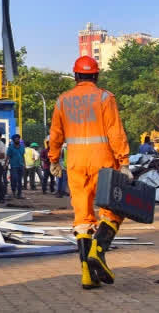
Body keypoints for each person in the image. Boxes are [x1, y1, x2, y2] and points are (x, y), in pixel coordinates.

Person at [48, 56, 130, 290]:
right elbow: (115, 131)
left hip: (75, 162)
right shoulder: (105, 97)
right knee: (113, 209)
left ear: (76, 76)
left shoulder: (62, 101)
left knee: (82, 218)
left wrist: (54, 159)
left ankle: (87, 274)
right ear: (96, 75)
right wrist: (123, 160)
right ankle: (98, 252)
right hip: (102, 160)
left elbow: (55, 134)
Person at [7, 134, 26, 199]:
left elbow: (23, 156)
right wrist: (5, 164)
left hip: (21, 165)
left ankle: (19, 194)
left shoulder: (22, 147)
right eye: (16, 138)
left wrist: (24, 164)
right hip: (13, 166)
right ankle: (13, 191)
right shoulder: (10, 147)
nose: (17, 139)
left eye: (18, 138)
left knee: (20, 180)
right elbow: (8, 156)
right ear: (13, 140)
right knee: (14, 179)